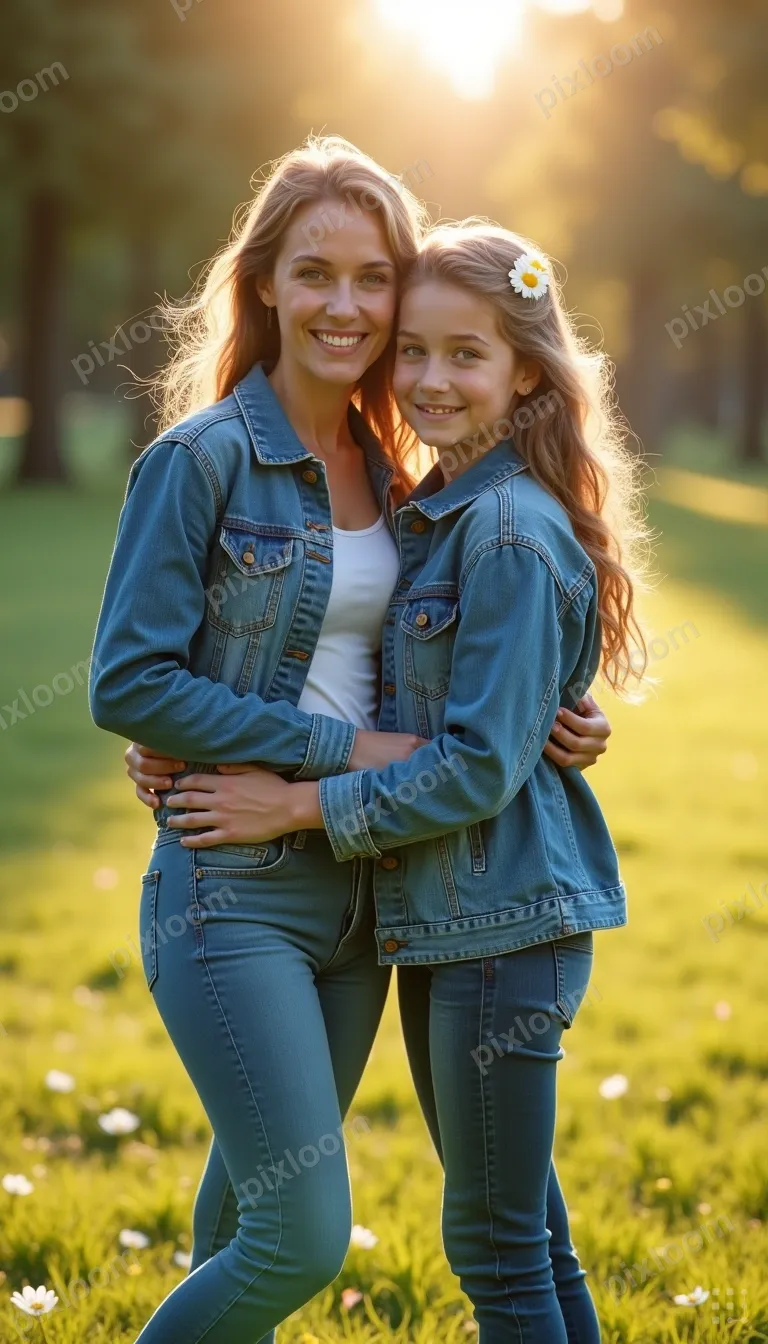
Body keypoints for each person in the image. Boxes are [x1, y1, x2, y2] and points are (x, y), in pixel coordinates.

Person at [92, 133, 612, 1343]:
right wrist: (323, 764)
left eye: (374, 277)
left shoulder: (402, 471)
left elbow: (466, 669)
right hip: (236, 883)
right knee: (300, 1238)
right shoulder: (203, 459)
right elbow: (129, 679)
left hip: (374, 899)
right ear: (264, 281)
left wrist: (559, 720)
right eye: (315, 272)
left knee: (237, 1234)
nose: (347, 304)